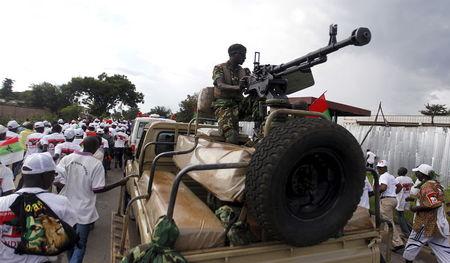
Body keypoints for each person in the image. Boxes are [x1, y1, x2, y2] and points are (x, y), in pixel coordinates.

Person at [55, 136, 129, 263]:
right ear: (96, 148)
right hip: (84, 211)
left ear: (82, 144)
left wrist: (70, 185)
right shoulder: (96, 164)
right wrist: (119, 183)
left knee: (69, 242)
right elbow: (97, 189)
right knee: (80, 244)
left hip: (66, 209)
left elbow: (57, 181)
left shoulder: (66, 159)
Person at [0, 152, 77, 263]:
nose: (53, 178)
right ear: (45, 176)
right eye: (53, 174)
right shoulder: (61, 203)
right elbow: (66, 238)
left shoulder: (1, 203)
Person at [403, 164, 450, 263]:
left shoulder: (426, 186)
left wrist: (416, 208)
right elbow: (433, 199)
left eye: (417, 172)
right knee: (443, 250)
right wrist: (414, 199)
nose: (416, 174)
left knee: (412, 245)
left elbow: (433, 203)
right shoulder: (437, 185)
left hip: (426, 224)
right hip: (439, 223)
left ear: (422, 174)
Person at [212, 43, 252, 144]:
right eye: (243, 55)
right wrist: (238, 87)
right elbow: (220, 85)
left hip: (239, 106)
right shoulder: (219, 68)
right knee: (232, 136)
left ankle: (264, 129)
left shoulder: (245, 71)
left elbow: (250, 89)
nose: (245, 58)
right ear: (235, 54)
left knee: (260, 101)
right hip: (223, 106)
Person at [376, 160, 404, 251]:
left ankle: (398, 243)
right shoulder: (391, 176)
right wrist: (393, 194)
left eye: (380, 167)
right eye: (378, 167)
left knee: (388, 223)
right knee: (381, 219)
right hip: (393, 200)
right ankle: (377, 235)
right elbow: (399, 186)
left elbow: (383, 187)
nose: (379, 169)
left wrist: (374, 193)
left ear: (385, 168)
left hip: (386, 200)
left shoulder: (383, 176)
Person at [395, 167, 414, 236]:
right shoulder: (409, 179)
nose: (397, 171)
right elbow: (412, 186)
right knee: (402, 215)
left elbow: (395, 187)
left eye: (398, 170)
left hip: (400, 198)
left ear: (400, 172)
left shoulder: (398, 179)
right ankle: (410, 230)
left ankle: (406, 232)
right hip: (407, 197)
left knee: (400, 216)